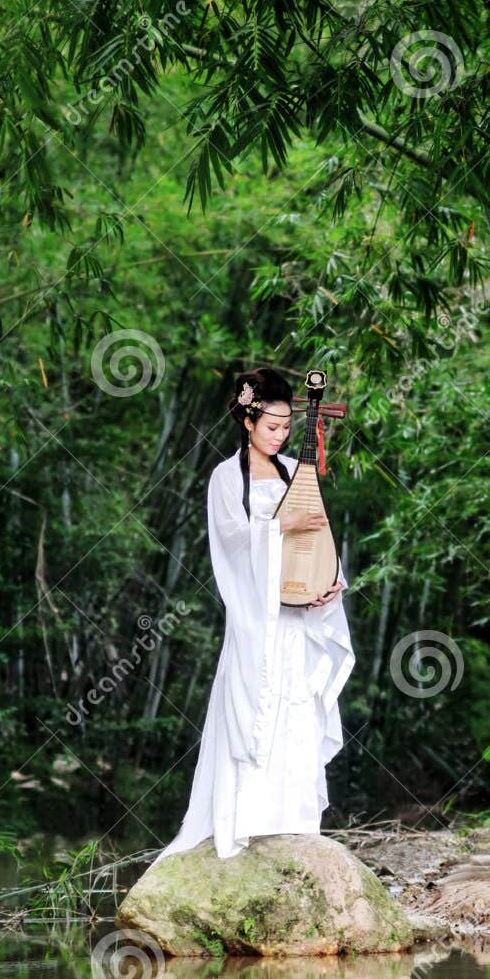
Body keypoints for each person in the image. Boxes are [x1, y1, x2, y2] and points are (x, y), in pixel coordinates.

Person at [156, 366, 355, 862]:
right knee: (256, 708)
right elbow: (233, 541)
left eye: (287, 426)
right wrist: (280, 524)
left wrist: (332, 585)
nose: (280, 434)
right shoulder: (226, 478)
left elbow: (319, 537)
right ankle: (247, 818)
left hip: (299, 619)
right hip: (256, 619)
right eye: (271, 426)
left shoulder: (294, 471)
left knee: (298, 707)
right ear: (247, 421)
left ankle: (294, 821)